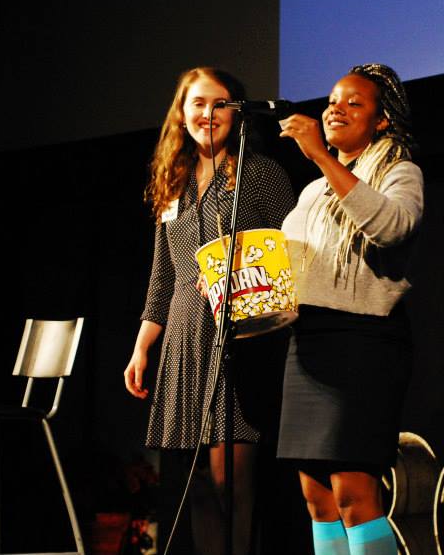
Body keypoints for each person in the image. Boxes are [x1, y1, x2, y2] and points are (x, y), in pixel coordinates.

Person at [124, 67, 295, 555]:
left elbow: (291, 252)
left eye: (219, 104)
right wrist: (141, 349)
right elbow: (163, 277)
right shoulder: (172, 181)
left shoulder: (259, 174)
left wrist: (237, 266)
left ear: (236, 113)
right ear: (182, 112)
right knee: (196, 487)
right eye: (198, 103)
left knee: (231, 485)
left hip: (239, 344)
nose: (208, 114)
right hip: (183, 341)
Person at [276, 64, 423, 555]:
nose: (336, 108)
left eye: (353, 102)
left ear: (382, 120)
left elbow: (392, 227)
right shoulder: (313, 190)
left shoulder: (398, 172)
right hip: (310, 345)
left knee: (353, 493)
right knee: (316, 497)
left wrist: (319, 155)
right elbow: (290, 264)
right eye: (332, 100)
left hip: (364, 343)